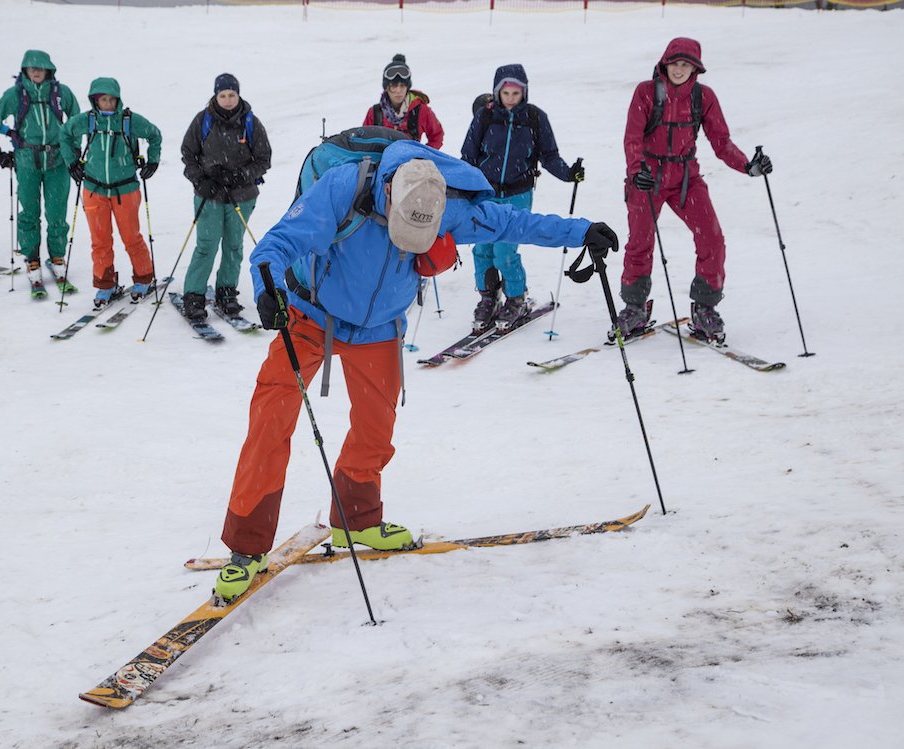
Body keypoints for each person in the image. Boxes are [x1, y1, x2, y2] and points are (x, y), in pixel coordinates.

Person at [212, 139, 619, 601]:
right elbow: (281, 241)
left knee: (375, 426)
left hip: (380, 325)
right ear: (387, 197)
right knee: (270, 416)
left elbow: (511, 222)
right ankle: (246, 547)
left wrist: (581, 231)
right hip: (310, 315)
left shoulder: (444, 205)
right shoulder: (344, 188)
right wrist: (267, 285)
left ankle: (357, 520)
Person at [616, 37, 772, 343]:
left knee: (712, 238)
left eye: (686, 65)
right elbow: (632, 138)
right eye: (675, 63)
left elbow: (721, 141)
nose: (679, 69)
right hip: (648, 177)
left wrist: (747, 165)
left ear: (695, 69)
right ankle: (634, 307)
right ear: (665, 63)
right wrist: (637, 172)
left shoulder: (704, 97)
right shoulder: (645, 93)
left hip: (686, 178)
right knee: (640, 242)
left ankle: (705, 308)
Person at [460, 64, 584, 332]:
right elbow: (468, 157)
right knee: (482, 248)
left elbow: (549, 156)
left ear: (524, 92)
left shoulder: (535, 119)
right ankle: (488, 297)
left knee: (505, 251)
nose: (511, 98)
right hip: (486, 193)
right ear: (497, 92)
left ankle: (516, 298)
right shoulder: (484, 117)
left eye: (516, 92)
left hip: (518, 193)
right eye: (506, 92)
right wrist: (460, 186)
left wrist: (568, 174)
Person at [0, 50, 81, 298]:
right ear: (25, 70)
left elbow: (77, 120)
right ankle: (32, 257)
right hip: (27, 161)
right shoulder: (15, 95)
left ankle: (57, 256)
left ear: (49, 70)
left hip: (58, 161)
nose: (36, 72)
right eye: (31, 68)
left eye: (40, 68)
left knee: (57, 211)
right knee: (29, 211)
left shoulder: (62, 93)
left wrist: (74, 150)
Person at [60, 78, 162, 308]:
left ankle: (144, 278)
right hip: (93, 189)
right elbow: (65, 134)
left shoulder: (129, 121)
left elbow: (155, 134)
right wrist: (72, 163)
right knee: (100, 241)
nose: (107, 103)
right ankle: (105, 284)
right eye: (102, 99)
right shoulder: (87, 121)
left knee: (131, 238)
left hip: (125, 189)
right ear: (95, 101)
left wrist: (152, 162)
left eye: (111, 99)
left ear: (117, 99)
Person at [179, 73, 273, 321]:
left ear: (238, 94)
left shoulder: (251, 122)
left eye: (232, 94)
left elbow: (264, 159)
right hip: (208, 195)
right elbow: (188, 154)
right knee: (206, 246)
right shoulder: (203, 121)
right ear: (216, 96)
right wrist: (201, 180)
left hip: (241, 195)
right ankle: (194, 295)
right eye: (223, 95)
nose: (228, 100)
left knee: (233, 245)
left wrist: (241, 175)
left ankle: (227, 292)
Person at [362, 54, 444, 150]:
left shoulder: (421, 110)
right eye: (394, 86)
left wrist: (423, 154)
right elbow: (364, 141)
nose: (398, 91)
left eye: (402, 86)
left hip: (412, 162)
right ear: (386, 88)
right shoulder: (375, 113)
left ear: (407, 87)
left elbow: (437, 135)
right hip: (382, 162)